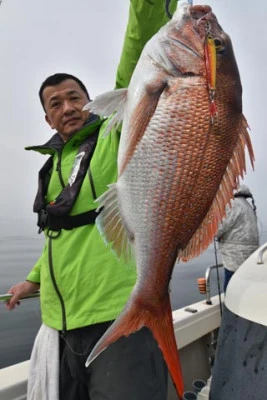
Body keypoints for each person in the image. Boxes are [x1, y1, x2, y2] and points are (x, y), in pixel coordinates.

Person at [5, 1, 178, 399]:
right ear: (47, 118)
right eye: (55, 104)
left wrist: (148, 8)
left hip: (119, 315)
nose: (68, 108)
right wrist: (33, 280)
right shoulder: (53, 166)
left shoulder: (113, 135)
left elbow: (137, 64)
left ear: (91, 100)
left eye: (74, 97)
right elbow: (62, 235)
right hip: (61, 325)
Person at [216, 184, 259, 292]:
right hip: (249, 256)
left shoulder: (232, 204)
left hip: (234, 257)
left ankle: (230, 308)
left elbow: (217, 230)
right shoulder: (247, 205)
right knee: (246, 288)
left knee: (232, 289)